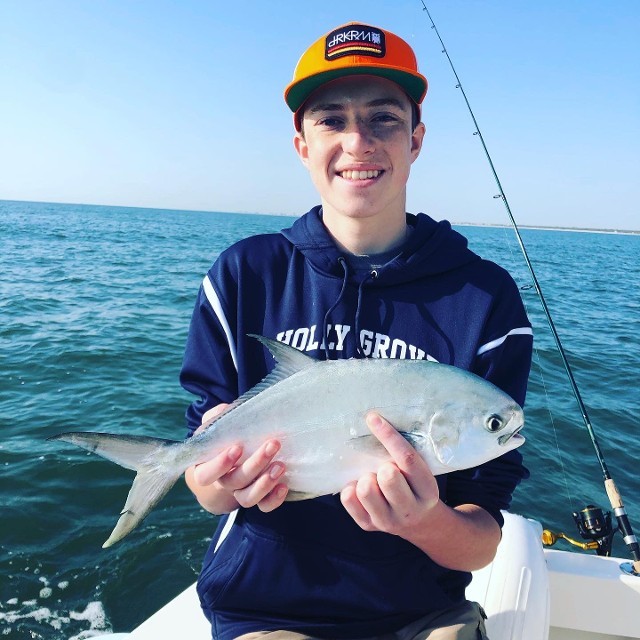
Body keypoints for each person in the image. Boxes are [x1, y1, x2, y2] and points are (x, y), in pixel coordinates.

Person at [180, 21, 532, 640]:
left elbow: (480, 540)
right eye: (331, 119)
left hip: (423, 615)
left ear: (416, 139)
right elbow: (206, 486)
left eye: (383, 119)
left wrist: (421, 521)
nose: (358, 142)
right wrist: (216, 481)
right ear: (301, 143)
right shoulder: (242, 275)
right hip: (265, 610)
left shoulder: (485, 299)